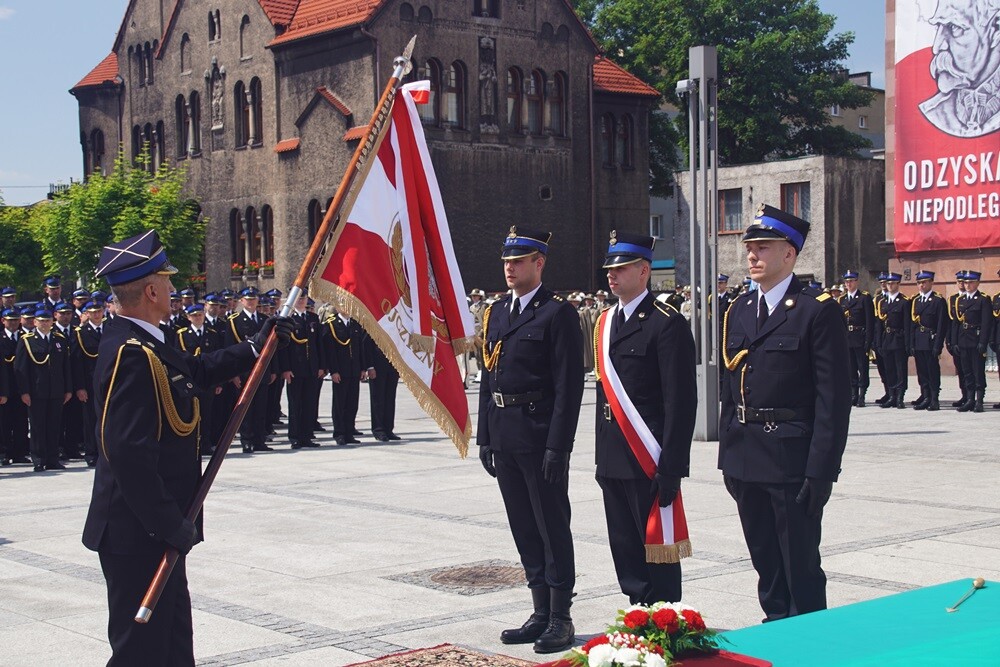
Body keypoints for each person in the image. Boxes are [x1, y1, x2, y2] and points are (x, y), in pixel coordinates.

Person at [81, 229, 292, 666]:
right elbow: (127, 453)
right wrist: (167, 524)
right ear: (152, 290)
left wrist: (254, 347)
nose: (175, 290)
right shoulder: (129, 353)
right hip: (137, 531)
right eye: (168, 281)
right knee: (141, 653)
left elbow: (193, 371)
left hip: (159, 525)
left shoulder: (149, 341)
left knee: (173, 645)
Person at [719, 204, 851, 621]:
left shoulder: (816, 309)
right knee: (766, 566)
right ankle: (776, 629)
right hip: (747, 454)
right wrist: (728, 457)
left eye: (763, 247)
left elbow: (833, 399)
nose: (752, 256)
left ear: (790, 254)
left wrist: (822, 470)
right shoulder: (739, 308)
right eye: (750, 247)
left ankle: (809, 647)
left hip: (792, 459)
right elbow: (731, 387)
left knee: (800, 568)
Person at [477, 226, 584, 654]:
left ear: (539, 263)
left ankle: (561, 616)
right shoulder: (497, 312)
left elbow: (568, 387)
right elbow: (488, 376)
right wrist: (485, 435)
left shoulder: (557, 313)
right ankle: (539, 611)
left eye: (518, 261)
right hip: (505, 434)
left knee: (551, 526)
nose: (509, 267)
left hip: (540, 436)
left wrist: (560, 446)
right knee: (523, 526)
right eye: (506, 260)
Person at [594, 231, 697, 605]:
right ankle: (637, 612)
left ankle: (666, 617)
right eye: (610, 268)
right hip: (613, 456)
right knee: (623, 544)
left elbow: (681, 402)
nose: (612, 275)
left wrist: (672, 467)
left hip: (648, 457)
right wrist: (600, 459)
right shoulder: (605, 322)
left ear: (644, 271)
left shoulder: (665, 322)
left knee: (657, 546)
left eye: (621, 268)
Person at [14, 309, 73, 472]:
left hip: (56, 390)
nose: (45, 324)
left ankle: (52, 458)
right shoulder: (27, 340)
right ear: (35, 323)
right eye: (41, 321)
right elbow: (21, 368)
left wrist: (68, 389)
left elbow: (65, 367)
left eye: (47, 321)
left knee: (54, 425)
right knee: (38, 426)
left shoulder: (59, 340)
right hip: (36, 391)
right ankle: (39, 459)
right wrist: (24, 391)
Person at [224, 287, 276, 452]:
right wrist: (233, 373)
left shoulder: (264, 319)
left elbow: (272, 347)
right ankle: (246, 440)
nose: (251, 302)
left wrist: (273, 369)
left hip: (262, 369)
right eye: (248, 299)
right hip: (244, 369)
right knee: (245, 407)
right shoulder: (234, 321)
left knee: (261, 406)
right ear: (241, 301)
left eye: (254, 299)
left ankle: (259, 440)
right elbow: (229, 349)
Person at [283, 291, 325, 448]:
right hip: (295, 369)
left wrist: (321, 366)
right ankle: (294, 437)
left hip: (311, 368)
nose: (301, 301)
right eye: (298, 298)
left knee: (309, 403)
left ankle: (307, 436)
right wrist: (285, 368)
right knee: (295, 404)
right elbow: (284, 347)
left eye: (303, 298)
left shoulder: (313, 318)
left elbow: (319, 344)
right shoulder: (288, 319)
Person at [323, 310, 364, 445]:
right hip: (340, 371)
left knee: (352, 403)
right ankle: (339, 433)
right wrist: (334, 371)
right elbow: (330, 350)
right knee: (340, 404)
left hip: (354, 370)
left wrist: (362, 368)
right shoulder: (332, 324)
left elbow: (359, 348)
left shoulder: (355, 323)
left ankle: (349, 431)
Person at [73, 301, 106, 466]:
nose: (96, 315)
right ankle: (91, 453)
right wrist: (80, 387)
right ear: (87, 313)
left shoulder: (110, 329)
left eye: (99, 311)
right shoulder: (81, 333)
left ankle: (105, 451)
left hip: (109, 381)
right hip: (89, 383)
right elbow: (77, 363)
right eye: (92, 312)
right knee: (90, 419)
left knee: (108, 418)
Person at [909, 271, 947, 411]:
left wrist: (938, 344)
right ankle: (925, 396)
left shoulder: (938, 300)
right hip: (919, 339)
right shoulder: (915, 300)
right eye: (919, 283)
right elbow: (912, 325)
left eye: (924, 282)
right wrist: (911, 343)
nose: (922, 285)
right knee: (922, 371)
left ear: (931, 283)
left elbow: (941, 325)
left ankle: (934, 398)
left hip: (931, 340)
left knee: (932, 370)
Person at [955, 270, 992, 412]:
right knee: (967, 371)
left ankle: (979, 400)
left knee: (978, 371)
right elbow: (957, 323)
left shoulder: (983, 299)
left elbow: (986, 323)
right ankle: (969, 399)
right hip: (963, 340)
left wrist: (983, 342)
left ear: (977, 283)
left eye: (970, 282)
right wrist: (956, 341)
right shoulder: (961, 300)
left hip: (976, 340)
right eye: (965, 282)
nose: (967, 285)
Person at [838, 270, 875, 407]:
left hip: (860, 337)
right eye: (847, 282)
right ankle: (853, 394)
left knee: (862, 367)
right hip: (847, 338)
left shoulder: (864, 298)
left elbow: (869, 321)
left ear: (856, 282)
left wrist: (868, 340)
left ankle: (862, 394)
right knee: (850, 368)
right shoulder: (842, 299)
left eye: (851, 281)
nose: (849, 284)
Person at [876, 273, 910, 409]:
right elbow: (878, 325)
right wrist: (878, 342)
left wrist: (908, 344)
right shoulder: (882, 302)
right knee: (889, 369)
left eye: (892, 283)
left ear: (898, 284)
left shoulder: (904, 302)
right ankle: (891, 395)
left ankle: (900, 396)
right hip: (886, 339)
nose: (890, 286)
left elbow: (907, 325)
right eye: (888, 284)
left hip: (899, 339)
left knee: (900, 369)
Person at [1, 308, 30, 465]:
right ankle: (5, 452)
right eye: (9, 320)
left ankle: (20, 452)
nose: (12, 323)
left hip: (21, 386)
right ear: (3, 321)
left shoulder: (25, 338)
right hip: (6, 387)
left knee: (21, 421)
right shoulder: (1, 338)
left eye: (15, 320)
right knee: (4, 422)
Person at [946, 272, 968, 406]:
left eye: (964, 282)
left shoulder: (979, 298)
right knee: (960, 369)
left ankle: (974, 397)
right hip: (957, 340)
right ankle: (964, 395)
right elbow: (950, 323)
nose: (962, 284)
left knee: (971, 370)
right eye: (959, 282)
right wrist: (949, 341)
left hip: (971, 339)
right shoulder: (952, 300)